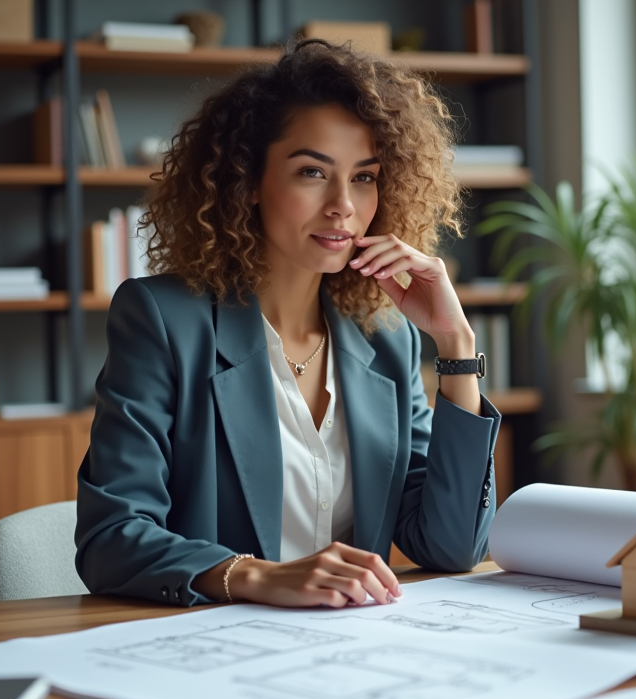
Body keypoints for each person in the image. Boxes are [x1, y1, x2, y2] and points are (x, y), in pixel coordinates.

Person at [74, 40, 501, 609]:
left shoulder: (386, 338)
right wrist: (259, 577)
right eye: (312, 172)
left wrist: (456, 345)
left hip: (352, 645)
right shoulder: (163, 320)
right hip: (214, 641)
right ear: (248, 180)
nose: (343, 204)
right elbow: (110, 538)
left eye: (364, 177)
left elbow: (451, 547)